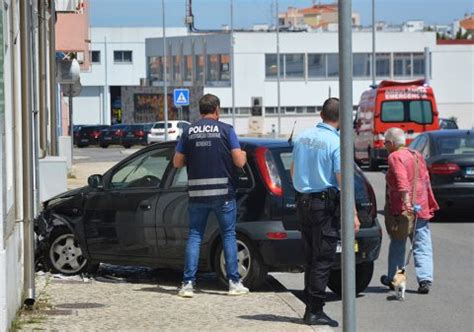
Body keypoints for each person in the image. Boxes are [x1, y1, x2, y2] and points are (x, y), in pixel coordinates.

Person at [290, 97, 360, 327]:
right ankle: (315, 310)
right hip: (323, 206)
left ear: (321, 114)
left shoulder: (302, 137)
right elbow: (343, 181)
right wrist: (353, 214)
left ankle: (310, 307)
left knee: (310, 257)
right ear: (341, 119)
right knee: (323, 258)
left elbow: (293, 171)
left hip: (303, 202)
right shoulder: (336, 142)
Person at [173, 93, 249, 298]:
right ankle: (234, 282)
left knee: (195, 236)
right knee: (228, 235)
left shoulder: (189, 132)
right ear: (217, 109)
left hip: (197, 195)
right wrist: (243, 155)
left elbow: (177, 163)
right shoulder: (226, 130)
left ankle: (188, 284)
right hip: (223, 194)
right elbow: (239, 162)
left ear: (200, 110)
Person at [380, 127, 439, 294]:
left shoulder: (394, 156)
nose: (385, 146)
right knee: (422, 244)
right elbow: (425, 180)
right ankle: (425, 280)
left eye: (385, 142)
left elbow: (401, 180)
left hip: (403, 211)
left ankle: (396, 279)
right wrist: (428, 203)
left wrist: (406, 202)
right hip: (421, 207)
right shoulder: (416, 155)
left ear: (391, 143)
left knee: (398, 245)